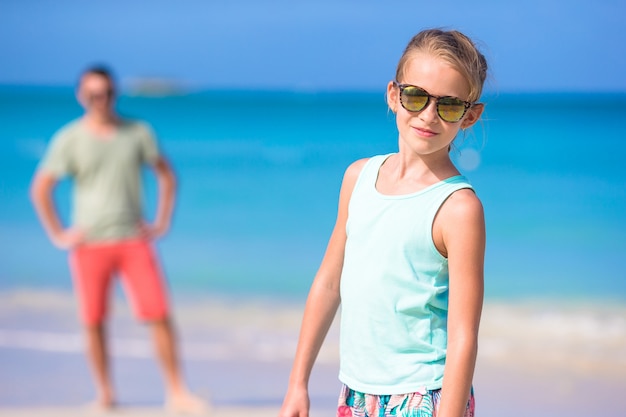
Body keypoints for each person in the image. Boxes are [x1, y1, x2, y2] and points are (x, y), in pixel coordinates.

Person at [279, 29, 488, 417]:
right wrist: (297, 384)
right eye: (415, 96)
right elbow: (328, 283)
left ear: (470, 115)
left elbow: (463, 337)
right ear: (394, 95)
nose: (428, 115)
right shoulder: (358, 177)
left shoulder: (458, 208)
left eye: (449, 105)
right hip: (357, 392)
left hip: (425, 395)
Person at [30, 65, 206, 414]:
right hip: (89, 244)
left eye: (107, 93)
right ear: (82, 96)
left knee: (159, 314)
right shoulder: (69, 139)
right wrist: (58, 234)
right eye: (93, 95)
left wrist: (161, 223)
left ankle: (176, 390)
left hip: (133, 240)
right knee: (93, 320)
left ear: (116, 93)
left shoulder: (138, 132)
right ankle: (105, 393)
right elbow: (41, 188)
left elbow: (167, 176)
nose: (101, 101)